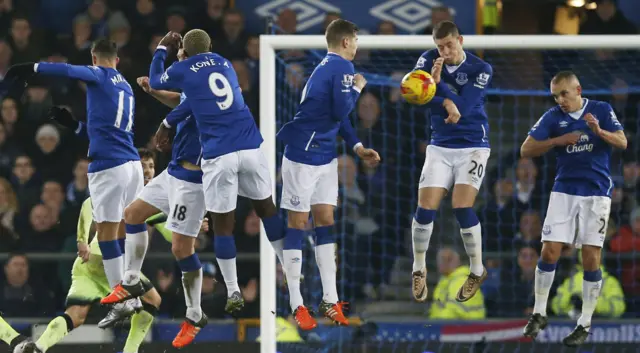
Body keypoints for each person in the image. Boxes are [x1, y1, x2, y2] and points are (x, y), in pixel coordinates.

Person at [147, 30, 286, 318]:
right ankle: (289, 265)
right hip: (249, 145)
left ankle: (233, 289)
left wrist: (161, 50)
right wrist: (168, 120)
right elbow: (191, 101)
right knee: (267, 210)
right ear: (210, 46)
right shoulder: (224, 63)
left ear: (184, 51)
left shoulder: (183, 68)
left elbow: (158, 80)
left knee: (224, 226)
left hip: (217, 154)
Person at [4, 38, 144, 318]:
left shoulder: (99, 74)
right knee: (126, 229)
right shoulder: (126, 86)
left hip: (109, 166)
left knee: (105, 232)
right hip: (132, 164)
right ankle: (132, 285)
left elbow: (66, 70)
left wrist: (30, 67)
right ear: (116, 60)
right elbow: (107, 130)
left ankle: (122, 296)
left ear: (95, 58)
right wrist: (75, 126)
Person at [276, 19, 380, 330]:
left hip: (325, 156)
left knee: (325, 220)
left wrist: (357, 146)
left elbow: (339, 118)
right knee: (297, 223)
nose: (357, 47)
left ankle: (330, 300)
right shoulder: (341, 68)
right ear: (347, 41)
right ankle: (296, 303)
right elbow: (341, 111)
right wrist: (359, 88)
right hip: (302, 155)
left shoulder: (330, 68)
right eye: (356, 41)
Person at [100, 48, 206, 348]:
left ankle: (195, 313)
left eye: (182, 54)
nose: (178, 59)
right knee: (132, 214)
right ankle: (131, 280)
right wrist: (153, 92)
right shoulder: (194, 86)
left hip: (193, 181)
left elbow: (182, 107)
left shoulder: (203, 87)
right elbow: (178, 100)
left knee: (181, 249)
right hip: (172, 172)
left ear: (193, 57)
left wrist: (160, 50)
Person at [14, 149, 164, 353]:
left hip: (88, 263)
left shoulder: (142, 196)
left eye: (151, 166)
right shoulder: (128, 190)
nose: (147, 171)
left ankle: (38, 346)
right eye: (142, 165)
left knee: (75, 315)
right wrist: (81, 239)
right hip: (107, 261)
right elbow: (89, 204)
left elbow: (165, 225)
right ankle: (130, 351)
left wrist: (187, 229)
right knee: (152, 300)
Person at [520, 71, 627, 346]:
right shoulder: (553, 117)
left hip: (596, 194)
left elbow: (622, 142)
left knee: (591, 257)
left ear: (578, 89)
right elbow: (526, 149)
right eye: (555, 95)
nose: (560, 100)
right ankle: (539, 312)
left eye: (564, 94)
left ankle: (584, 323)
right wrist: (557, 141)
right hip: (564, 191)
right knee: (549, 250)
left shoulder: (601, 110)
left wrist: (599, 132)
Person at [410, 21, 492, 303]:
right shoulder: (427, 59)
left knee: (461, 205)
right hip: (440, 146)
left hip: (473, 146)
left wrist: (438, 86)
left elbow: (465, 107)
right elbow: (415, 93)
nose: (444, 52)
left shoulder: (481, 69)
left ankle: (477, 269)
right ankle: (418, 267)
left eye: (449, 45)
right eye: (439, 47)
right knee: (425, 207)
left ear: (461, 40)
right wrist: (441, 97)